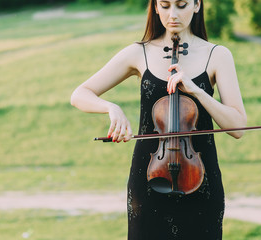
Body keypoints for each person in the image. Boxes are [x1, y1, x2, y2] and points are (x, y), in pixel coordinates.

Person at [70, 0, 247, 239]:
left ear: (197, 5)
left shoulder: (217, 55)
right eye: (164, 5)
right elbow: (80, 94)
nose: (172, 14)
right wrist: (111, 108)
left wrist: (197, 91)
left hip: (200, 178)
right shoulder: (139, 52)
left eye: (182, 5)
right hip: (150, 178)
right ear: (154, 7)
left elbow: (237, 128)